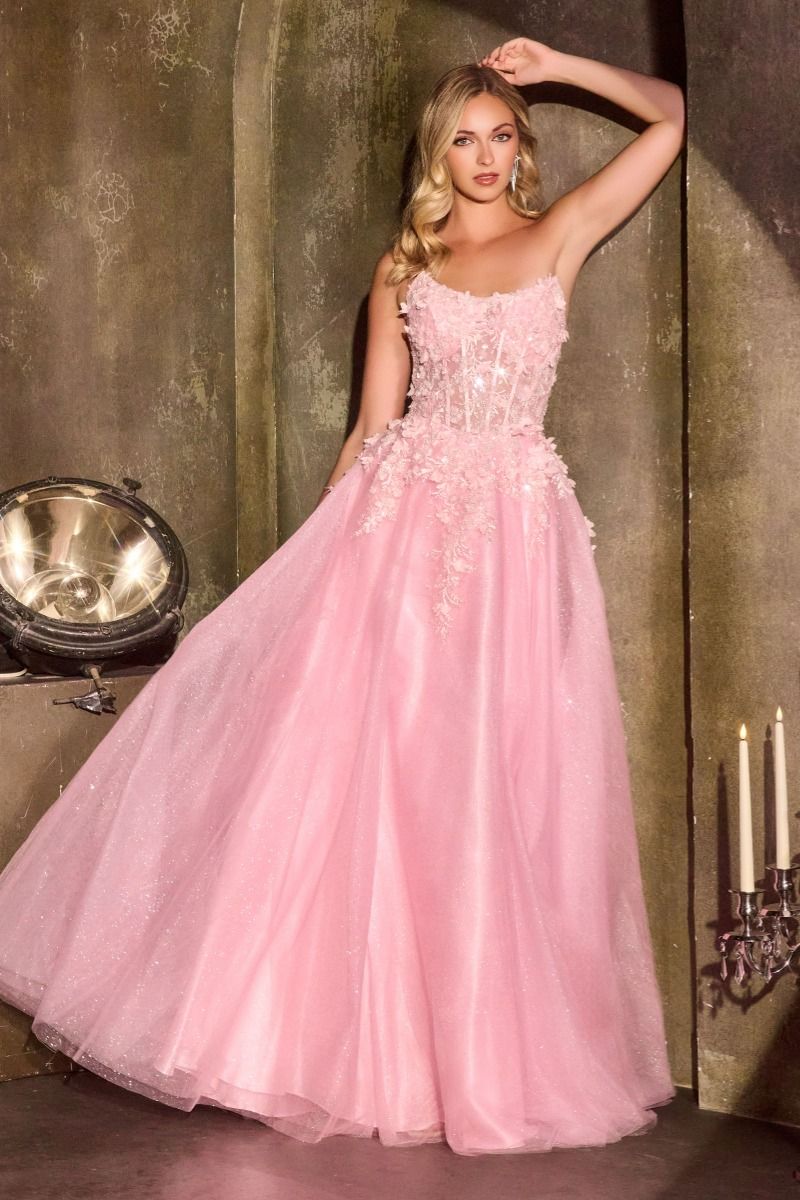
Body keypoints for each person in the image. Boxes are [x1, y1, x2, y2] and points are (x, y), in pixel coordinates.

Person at [0, 37, 684, 1156]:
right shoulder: (403, 269)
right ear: (437, 155)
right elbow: (372, 428)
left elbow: (667, 119)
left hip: (518, 538)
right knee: (384, 782)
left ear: (519, 149)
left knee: (507, 780)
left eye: (498, 136)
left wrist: (558, 64)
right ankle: (364, 1050)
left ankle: (490, 1052)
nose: (481, 156)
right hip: (401, 531)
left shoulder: (559, 232)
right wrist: (313, 563)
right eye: (461, 139)